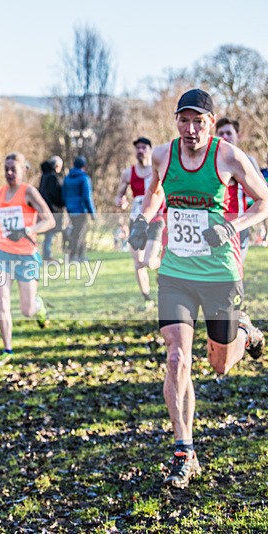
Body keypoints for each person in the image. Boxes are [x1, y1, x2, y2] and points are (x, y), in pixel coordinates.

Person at [129, 88, 268, 489]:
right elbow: (154, 192)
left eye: (199, 121)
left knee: (221, 365)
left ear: (211, 122)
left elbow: (263, 201)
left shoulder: (228, 156)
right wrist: (145, 218)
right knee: (177, 359)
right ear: (176, 121)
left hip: (220, 273)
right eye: (184, 120)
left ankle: (245, 331)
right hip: (176, 272)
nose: (190, 129)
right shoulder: (162, 155)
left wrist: (232, 226)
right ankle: (184, 451)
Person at [0, 152, 55, 354]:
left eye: (14, 169)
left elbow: (49, 220)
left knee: (27, 310)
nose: (9, 172)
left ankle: (39, 307)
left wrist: (27, 230)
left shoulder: (29, 192)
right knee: (2, 301)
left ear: (23, 170)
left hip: (26, 255)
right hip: (2, 253)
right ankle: (8, 349)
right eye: (6, 169)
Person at [115, 137, 164, 308]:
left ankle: (162, 264)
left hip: (156, 219)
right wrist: (120, 201)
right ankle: (147, 298)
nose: (140, 150)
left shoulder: (158, 169)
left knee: (149, 261)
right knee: (138, 262)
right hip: (136, 220)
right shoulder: (128, 173)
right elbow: (119, 195)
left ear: (150, 150)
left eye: (144, 147)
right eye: (138, 148)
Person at [216, 117, 261, 263]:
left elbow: (263, 194)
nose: (224, 137)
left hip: (239, 224)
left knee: (234, 270)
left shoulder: (248, 161)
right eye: (220, 133)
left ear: (238, 136)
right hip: (213, 224)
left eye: (229, 133)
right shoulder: (211, 160)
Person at [62, 156, 96, 262]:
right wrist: (92, 212)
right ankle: (73, 256)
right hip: (81, 210)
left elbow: (64, 195)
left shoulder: (67, 178)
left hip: (70, 210)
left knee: (77, 232)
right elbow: (87, 197)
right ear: (84, 166)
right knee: (79, 234)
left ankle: (81, 256)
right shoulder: (84, 178)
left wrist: (67, 206)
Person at [37, 155, 64, 261]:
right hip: (51, 209)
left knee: (48, 232)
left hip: (45, 208)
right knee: (50, 232)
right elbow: (55, 194)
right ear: (57, 166)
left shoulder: (44, 175)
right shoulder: (52, 177)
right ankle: (47, 255)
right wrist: (61, 203)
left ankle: (46, 254)